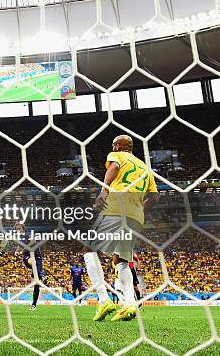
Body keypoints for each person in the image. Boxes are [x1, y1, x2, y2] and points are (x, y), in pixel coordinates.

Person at [84, 134, 159, 322]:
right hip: (136, 216)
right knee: (121, 261)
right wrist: (139, 208)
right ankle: (130, 304)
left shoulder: (117, 156)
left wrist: (104, 189)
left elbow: (114, 168)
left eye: (113, 144)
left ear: (118, 146)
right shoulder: (145, 167)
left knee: (88, 249)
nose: (112, 147)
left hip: (116, 207)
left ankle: (103, 300)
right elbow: (155, 197)